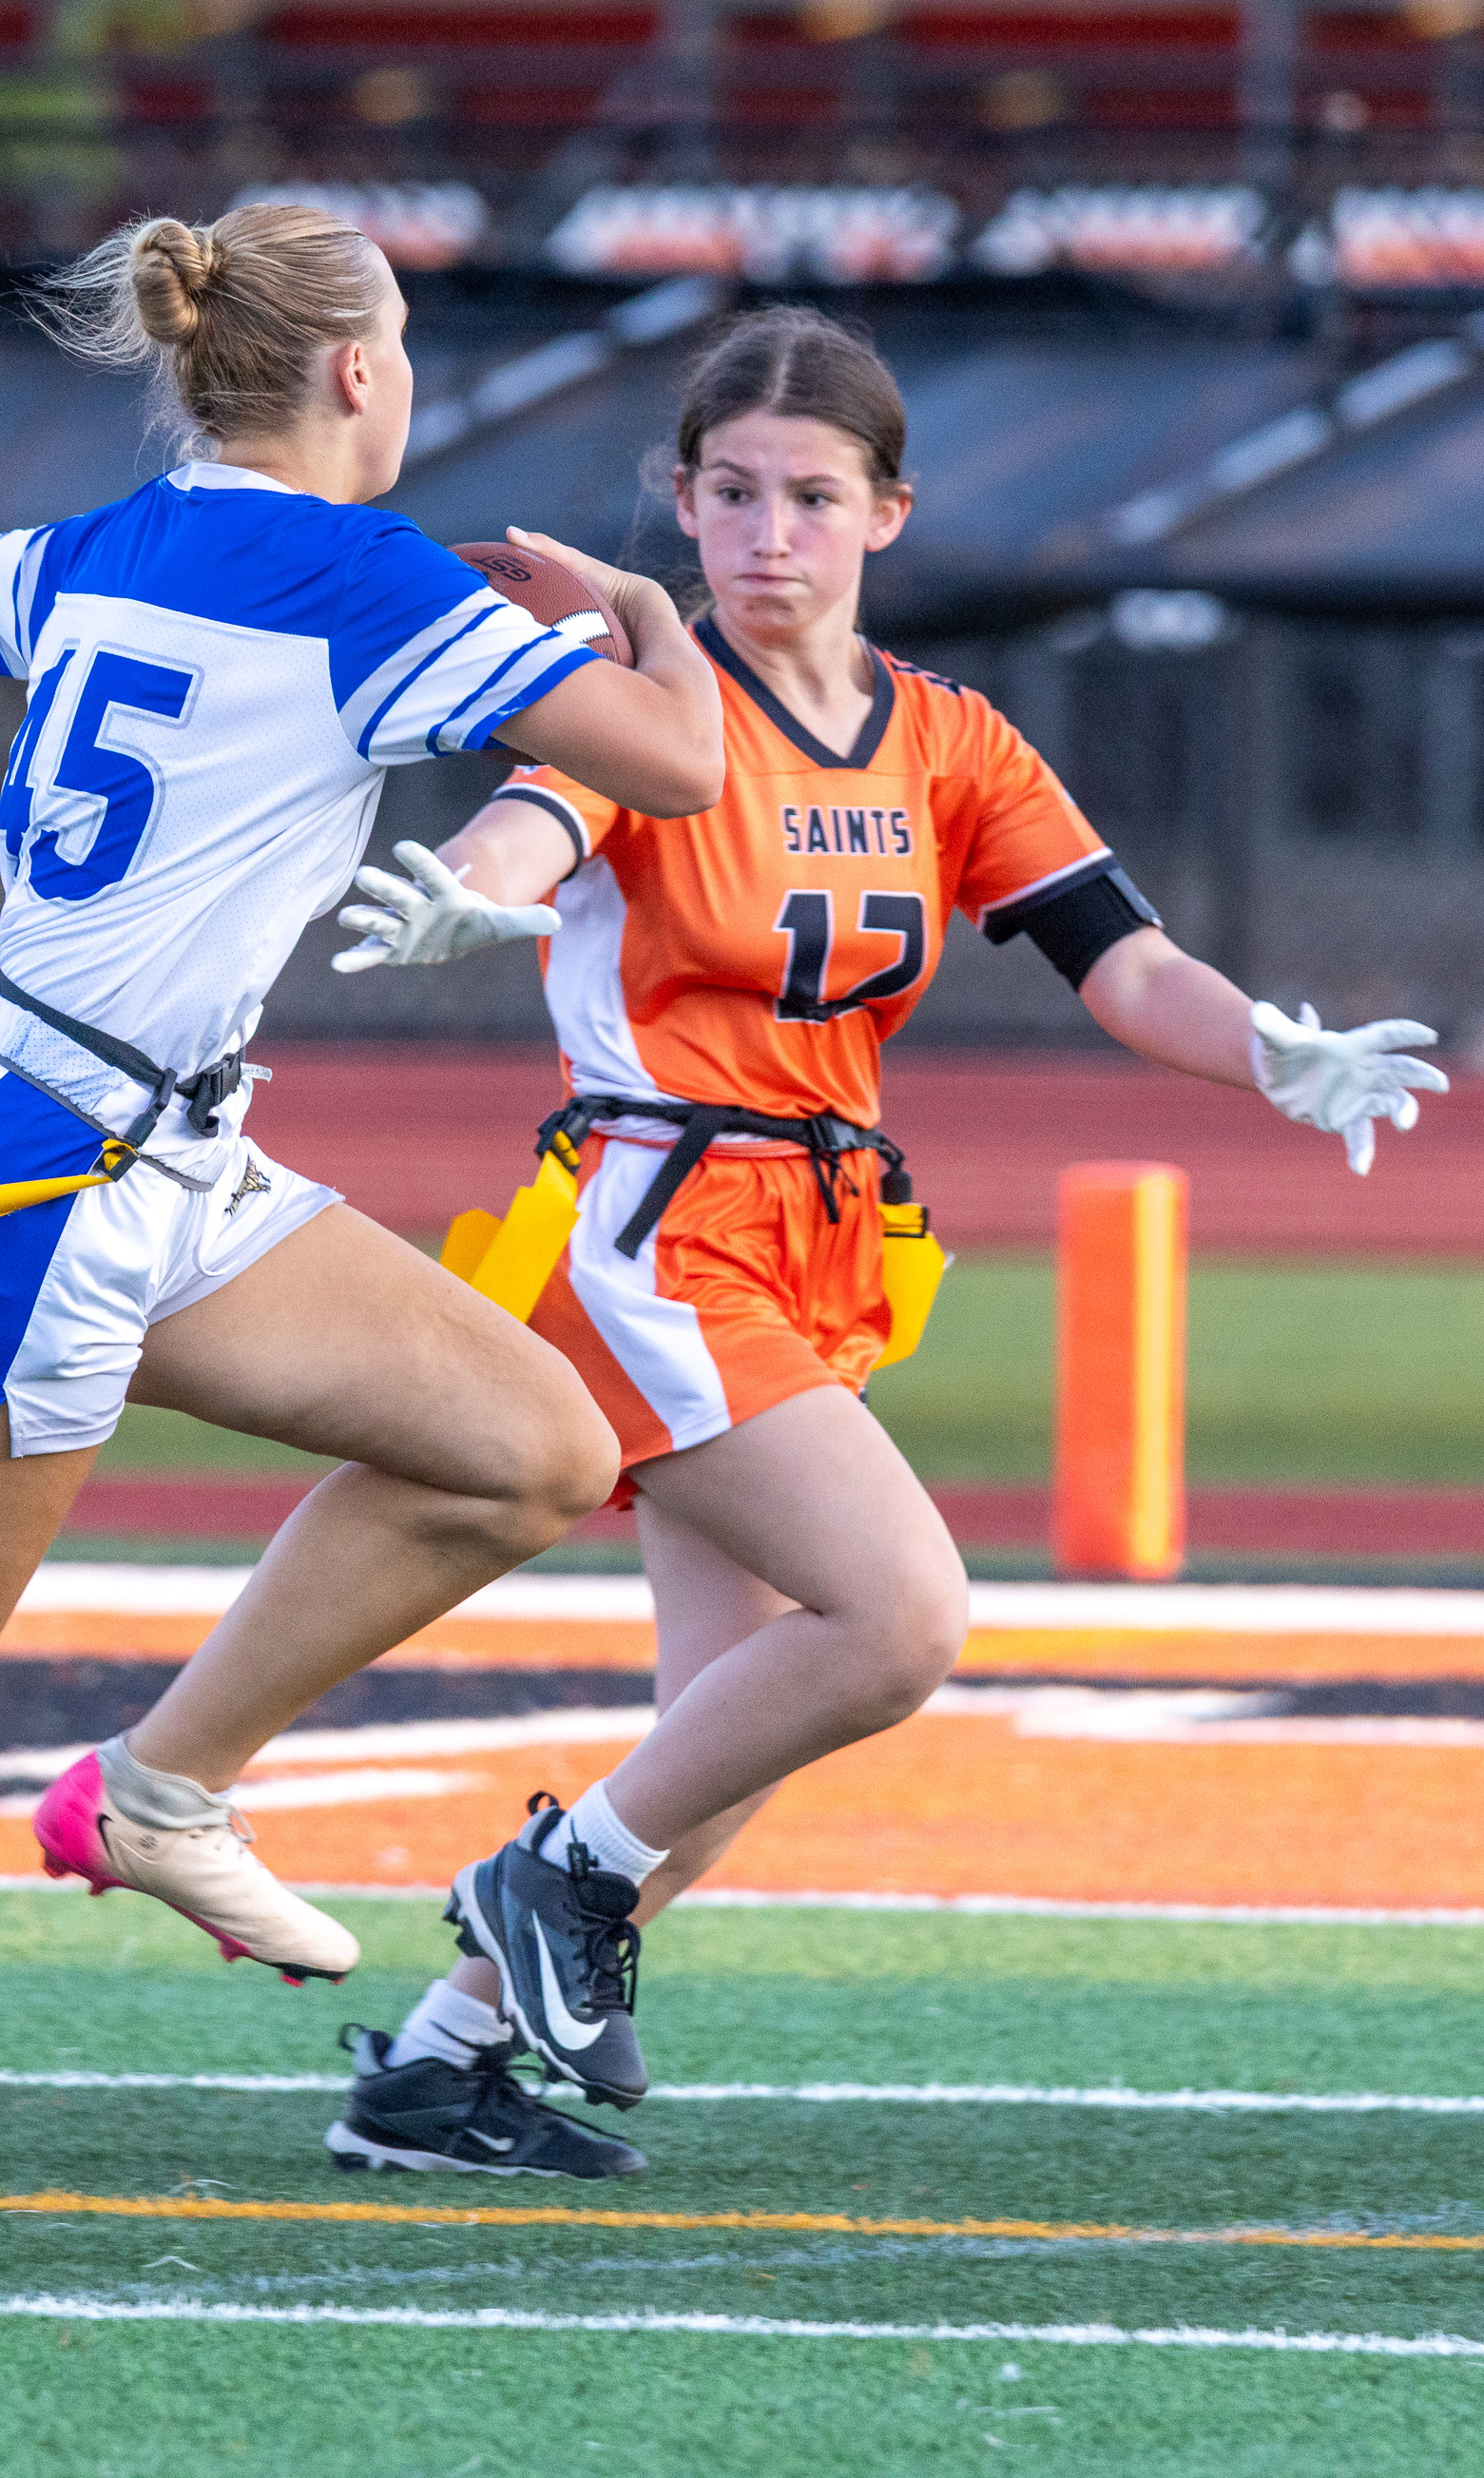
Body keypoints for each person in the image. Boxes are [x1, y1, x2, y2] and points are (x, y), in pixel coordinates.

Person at [320, 302, 1448, 2180]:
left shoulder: (946, 735)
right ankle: (555, 1877)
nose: (768, 534)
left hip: (824, 1232)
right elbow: (528, 827)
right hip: (662, 1224)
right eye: (731, 493)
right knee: (904, 1616)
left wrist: (1269, 1047)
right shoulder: (644, 701)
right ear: (682, 499)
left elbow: (1123, 961)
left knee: (729, 1726)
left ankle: (439, 2070)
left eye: (813, 497)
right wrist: (476, 889)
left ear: (888, 513)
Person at [0, 201, 723, 2187]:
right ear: (354, 370)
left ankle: (160, 1790)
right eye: (402, 347)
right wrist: (647, 622)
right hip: (31, 1171)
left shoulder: (101, 537)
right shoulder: (366, 574)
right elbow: (671, 766)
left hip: (149, 1148)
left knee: (527, 1449)